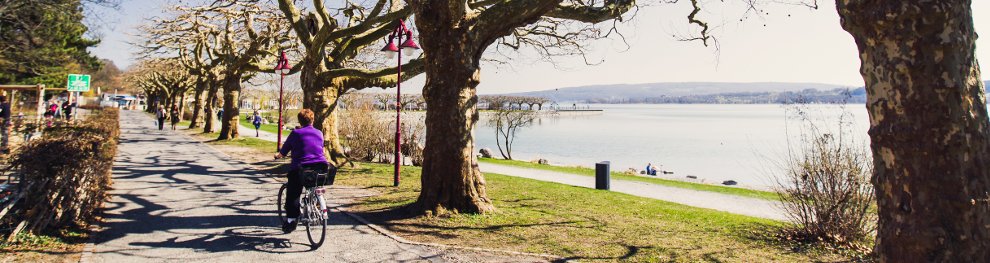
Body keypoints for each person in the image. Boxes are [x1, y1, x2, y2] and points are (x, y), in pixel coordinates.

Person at [274, 109, 330, 234]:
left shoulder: (296, 133)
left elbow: (284, 151)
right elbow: (321, 149)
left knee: (293, 193)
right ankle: (316, 204)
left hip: (302, 168)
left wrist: (278, 155)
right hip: (321, 167)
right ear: (313, 120)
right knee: (315, 185)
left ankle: (292, 220)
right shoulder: (319, 133)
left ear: (300, 121)